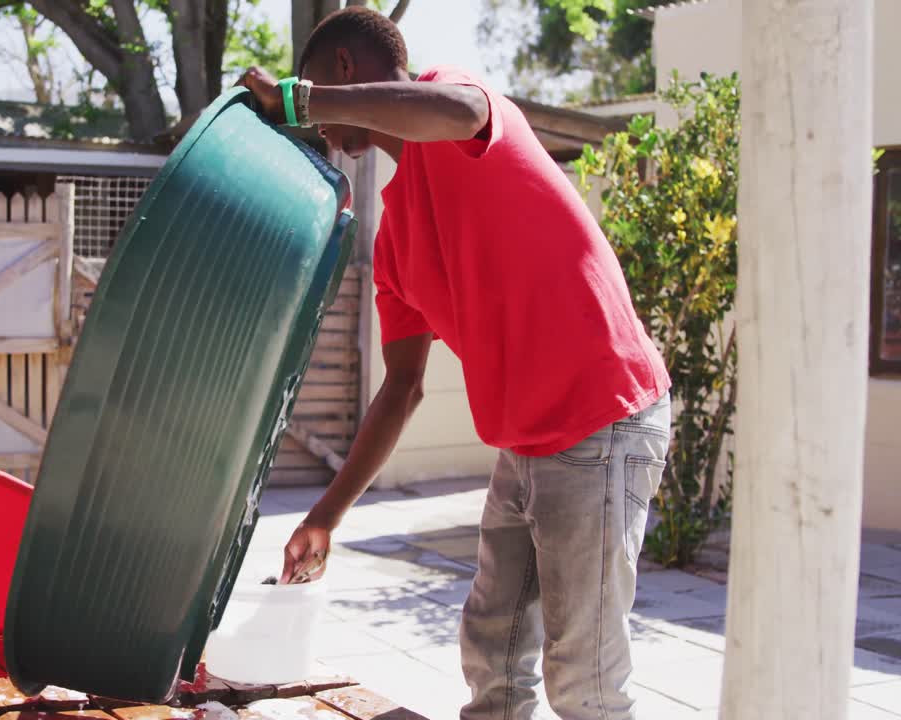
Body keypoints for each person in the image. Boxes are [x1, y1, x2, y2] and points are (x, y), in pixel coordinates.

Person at [239, 7, 672, 720]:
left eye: (319, 90)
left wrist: (298, 99)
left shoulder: (456, 105)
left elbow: (461, 110)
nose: (318, 124)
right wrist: (325, 516)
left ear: (344, 69)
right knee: (493, 655)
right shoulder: (394, 241)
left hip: (603, 418)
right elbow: (401, 390)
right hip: (527, 438)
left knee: (584, 679)